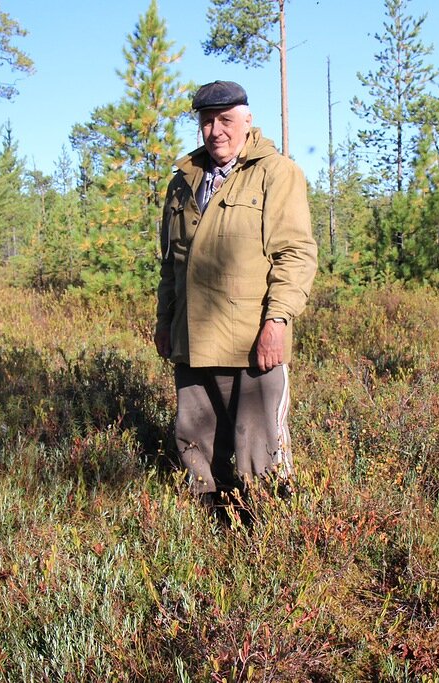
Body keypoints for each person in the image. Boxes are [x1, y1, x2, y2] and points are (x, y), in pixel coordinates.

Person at [154, 80, 317, 510]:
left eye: (226, 120)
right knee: (195, 445)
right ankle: (210, 538)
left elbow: (295, 254)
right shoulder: (183, 182)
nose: (216, 131)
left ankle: (270, 545)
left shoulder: (276, 172)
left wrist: (277, 322)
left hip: (252, 342)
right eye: (207, 121)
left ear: (247, 121)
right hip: (192, 337)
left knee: (259, 452)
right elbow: (172, 263)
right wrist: (164, 322)